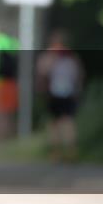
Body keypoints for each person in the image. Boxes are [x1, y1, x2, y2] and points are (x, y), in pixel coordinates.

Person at [36, 29, 83, 161]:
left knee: (54, 123)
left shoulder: (49, 55)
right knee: (68, 121)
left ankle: (56, 153)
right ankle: (71, 151)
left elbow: (42, 72)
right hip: (69, 92)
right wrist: (77, 90)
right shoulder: (71, 56)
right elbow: (79, 74)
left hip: (53, 93)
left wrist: (41, 89)